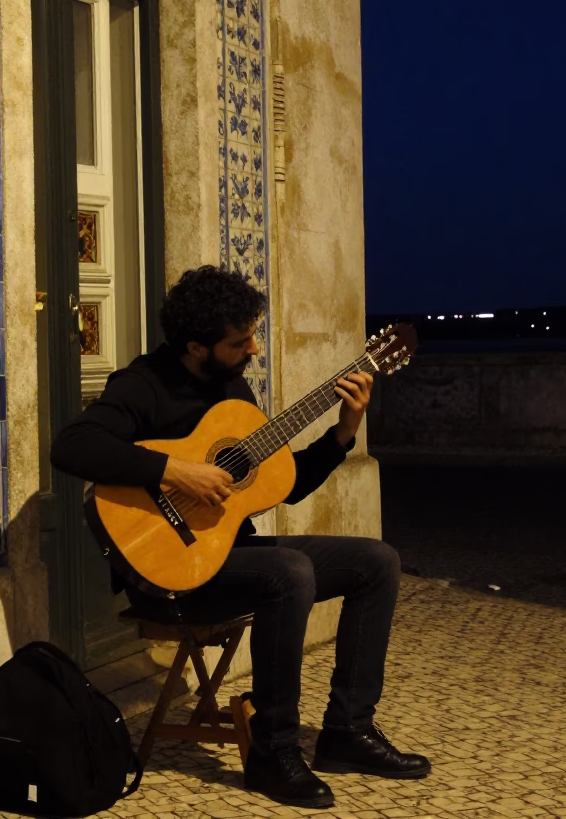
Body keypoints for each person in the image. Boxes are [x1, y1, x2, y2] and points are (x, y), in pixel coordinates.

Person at [51, 266, 430, 809]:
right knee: (289, 572)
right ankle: (272, 754)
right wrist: (175, 472)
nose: (253, 348)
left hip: (226, 555)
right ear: (196, 345)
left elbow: (283, 482)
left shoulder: (233, 389)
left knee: (377, 560)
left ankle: (348, 732)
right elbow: (70, 447)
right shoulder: (141, 384)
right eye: (239, 341)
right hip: (167, 574)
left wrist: (344, 430)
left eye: (252, 335)